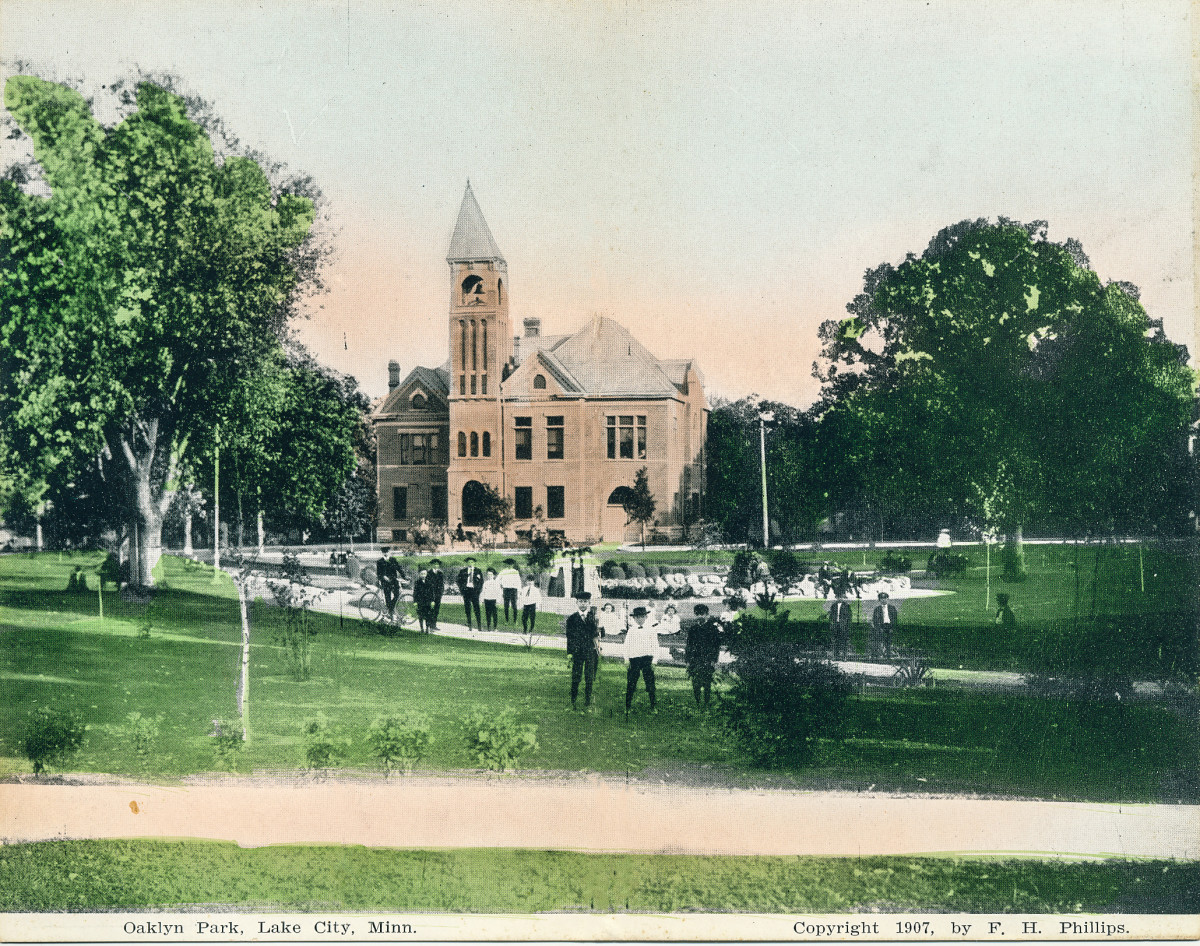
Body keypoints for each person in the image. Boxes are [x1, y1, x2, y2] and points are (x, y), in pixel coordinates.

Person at [564, 592, 603, 710]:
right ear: (577, 603)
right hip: (577, 651)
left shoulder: (594, 617)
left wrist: (599, 629)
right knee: (576, 675)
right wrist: (570, 653)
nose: (583, 604)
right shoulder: (572, 618)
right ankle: (573, 699)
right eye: (580, 601)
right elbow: (569, 637)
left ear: (589, 603)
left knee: (589, 676)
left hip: (590, 651)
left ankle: (587, 699)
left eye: (585, 602)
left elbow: (599, 634)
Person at [624, 605, 661, 715]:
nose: (639, 619)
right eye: (637, 617)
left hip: (647, 659)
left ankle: (653, 706)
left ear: (646, 617)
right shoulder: (631, 631)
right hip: (634, 659)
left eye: (642, 617)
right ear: (634, 618)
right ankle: (627, 706)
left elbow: (656, 646)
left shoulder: (651, 630)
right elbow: (626, 646)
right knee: (631, 683)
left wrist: (654, 661)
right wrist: (626, 659)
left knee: (650, 683)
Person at [684, 603, 721, 708]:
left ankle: (706, 702)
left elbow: (716, 646)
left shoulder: (713, 629)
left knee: (707, 681)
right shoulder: (693, 629)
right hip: (695, 659)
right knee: (695, 682)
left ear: (707, 615)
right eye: (697, 614)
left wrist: (714, 660)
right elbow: (689, 645)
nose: (700, 616)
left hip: (707, 659)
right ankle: (698, 701)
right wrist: (687, 660)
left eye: (702, 614)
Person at [457, 556, 484, 630]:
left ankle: (479, 625)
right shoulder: (463, 571)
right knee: (467, 608)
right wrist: (462, 589)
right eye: (469, 562)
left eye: (472, 562)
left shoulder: (478, 571)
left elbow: (481, 582)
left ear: (474, 563)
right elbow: (458, 581)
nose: (470, 563)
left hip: (474, 591)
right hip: (466, 591)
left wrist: (478, 590)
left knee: (476, 608)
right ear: (467, 563)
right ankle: (469, 625)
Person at [870, 591, 898, 659]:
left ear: (887, 599)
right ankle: (879, 654)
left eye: (885, 598)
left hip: (889, 626)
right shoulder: (877, 609)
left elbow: (895, 618)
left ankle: (888, 655)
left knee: (888, 641)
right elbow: (875, 620)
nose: (883, 600)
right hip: (881, 626)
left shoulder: (892, 608)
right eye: (882, 598)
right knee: (879, 640)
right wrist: (879, 628)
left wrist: (892, 628)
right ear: (879, 600)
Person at [376, 546, 400, 619]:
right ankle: (390, 613)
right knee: (388, 597)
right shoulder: (380, 561)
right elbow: (378, 573)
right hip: (385, 582)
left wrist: (405, 577)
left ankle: (390, 608)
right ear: (382, 553)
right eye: (384, 552)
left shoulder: (393, 560)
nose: (385, 553)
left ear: (389, 552)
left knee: (397, 595)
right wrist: (383, 576)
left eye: (387, 552)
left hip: (393, 580)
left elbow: (399, 568)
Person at [498, 558, 522, 625]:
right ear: (506, 564)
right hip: (506, 590)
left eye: (511, 564)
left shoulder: (515, 572)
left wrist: (519, 591)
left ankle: (515, 620)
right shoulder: (503, 571)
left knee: (514, 606)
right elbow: (498, 579)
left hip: (513, 590)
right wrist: (501, 584)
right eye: (508, 564)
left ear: (513, 564)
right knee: (506, 606)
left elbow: (518, 582)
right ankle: (506, 620)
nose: (509, 565)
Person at [829, 594, 852, 660]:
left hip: (843, 626)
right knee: (835, 641)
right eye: (838, 597)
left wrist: (847, 625)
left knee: (844, 641)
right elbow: (831, 616)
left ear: (843, 598)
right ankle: (835, 656)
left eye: (841, 597)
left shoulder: (846, 606)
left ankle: (844, 656)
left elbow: (849, 617)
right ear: (836, 597)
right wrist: (832, 623)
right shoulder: (833, 606)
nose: (840, 598)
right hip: (836, 625)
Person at [412, 566, 435, 632]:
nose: (423, 575)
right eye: (421, 574)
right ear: (419, 574)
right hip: (420, 601)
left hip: (428, 601)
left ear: (426, 574)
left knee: (428, 615)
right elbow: (415, 593)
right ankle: (422, 628)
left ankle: (427, 628)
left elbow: (431, 592)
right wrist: (415, 602)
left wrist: (432, 601)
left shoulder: (429, 582)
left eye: (424, 574)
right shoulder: (417, 582)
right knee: (420, 615)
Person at [427, 559, 445, 630]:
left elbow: (442, 584)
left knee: (436, 610)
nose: (436, 565)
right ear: (432, 565)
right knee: (430, 609)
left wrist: (441, 592)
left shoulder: (440, 573)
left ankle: (434, 625)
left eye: (437, 564)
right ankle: (428, 624)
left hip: (438, 594)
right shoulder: (429, 573)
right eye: (434, 564)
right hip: (430, 594)